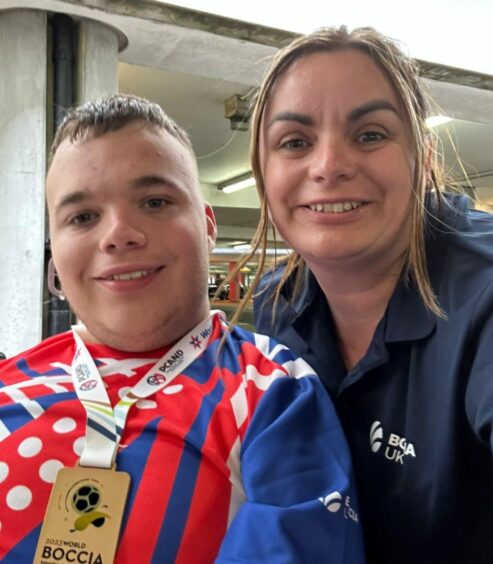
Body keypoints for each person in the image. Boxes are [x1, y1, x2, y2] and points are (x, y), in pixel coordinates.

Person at [0, 95, 364, 563]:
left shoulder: (272, 394)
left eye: (154, 201)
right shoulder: (14, 382)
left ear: (208, 226)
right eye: (83, 217)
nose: (118, 233)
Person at [234, 26, 493, 564]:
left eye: (371, 134)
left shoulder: (482, 294)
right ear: (264, 169)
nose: (329, 165)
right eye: (296, 142)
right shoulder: (277, 302)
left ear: (421, 156)